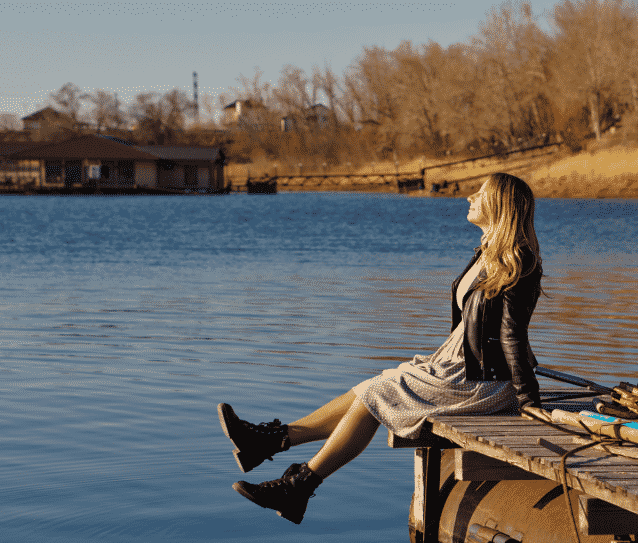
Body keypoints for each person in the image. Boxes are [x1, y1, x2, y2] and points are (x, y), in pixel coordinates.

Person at [218, 172, 545, 524]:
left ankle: (296, 480)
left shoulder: (519, 261)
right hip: (455, 365)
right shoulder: (487, 252)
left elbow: (512, 335)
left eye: (480, 194)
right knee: (374, 386)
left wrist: (529, 401)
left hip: (484, 380)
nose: (470, 198)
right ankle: (273, 443)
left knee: (376, 393)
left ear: (499, 204)